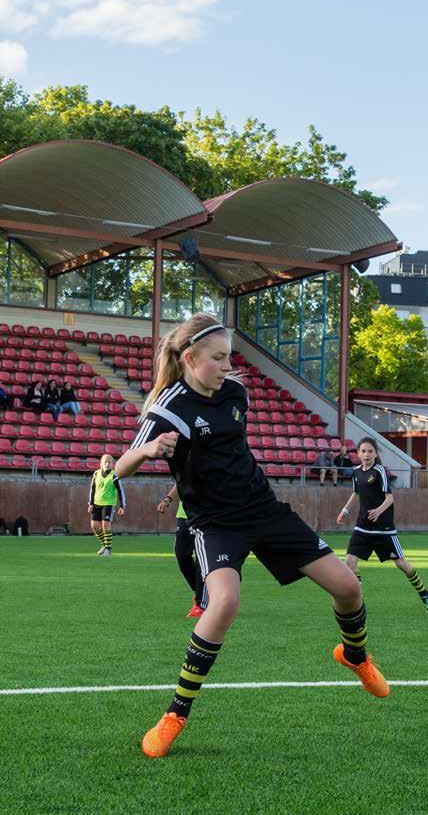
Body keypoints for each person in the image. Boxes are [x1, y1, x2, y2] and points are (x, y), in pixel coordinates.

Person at [115, 313, 389, 760]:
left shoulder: (236, 392)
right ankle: (175, 714)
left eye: (230, 356)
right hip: (215, 523)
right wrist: (146, 450)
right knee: (224, 602)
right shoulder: (168, 407)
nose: (228, 366)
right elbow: (118, 467)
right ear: (189, 358)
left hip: (264, 509)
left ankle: (355, 656)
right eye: (218, 358)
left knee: (349, 587)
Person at [336, 436, 428, 615]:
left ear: (375, 454)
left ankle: (424, 593)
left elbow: (390, 498)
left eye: (370, 451)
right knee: (350, 561)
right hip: (362, 527)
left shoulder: (380, 471)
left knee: (401, 564)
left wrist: (378, 511)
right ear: (358, 453)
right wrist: (345, 510)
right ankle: (358, 601)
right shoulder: (356, 472)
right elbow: (355, 493)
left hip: (384, 529)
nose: (366, 454)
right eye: (363, 451)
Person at [158, 484, 207, 619]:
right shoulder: (185, 465)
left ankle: (200, 604)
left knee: (201, 559)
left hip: (206, 516)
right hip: (184, 515)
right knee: (182, 555)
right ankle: (201, 592)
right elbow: (180, 484)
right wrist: (167, 499)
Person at [87, 453, 126, 556]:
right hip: (96, 503)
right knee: (95, 526)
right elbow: (93, 489)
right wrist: (90, 503)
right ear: (101, 464)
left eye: (109, 462)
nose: (107, 464)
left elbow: (121, 491)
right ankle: (104, 545)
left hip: (108, 504)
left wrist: (122, 506)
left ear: (113, 464)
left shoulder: (114, 476)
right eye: (105, 462)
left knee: (105, 525)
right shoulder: (96, 474)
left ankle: (108, 550)